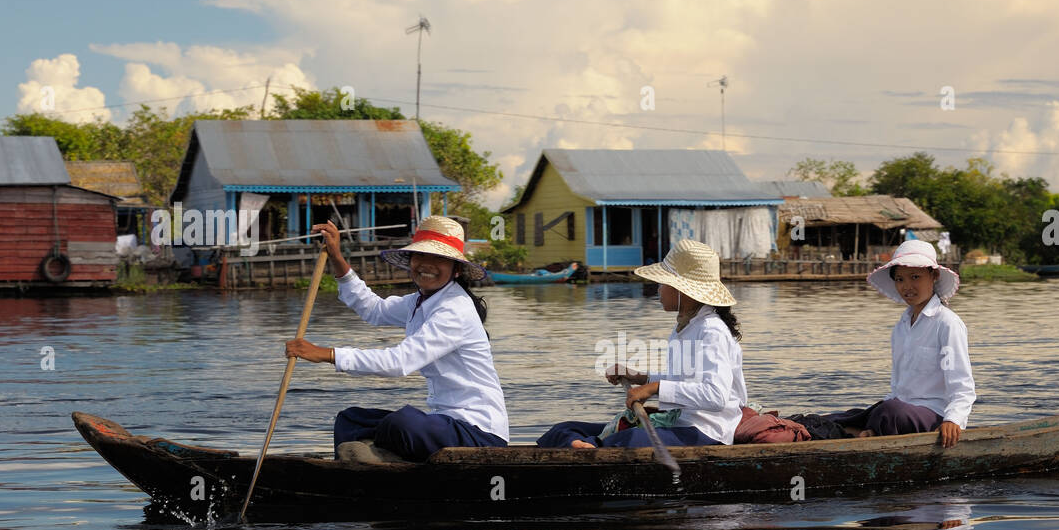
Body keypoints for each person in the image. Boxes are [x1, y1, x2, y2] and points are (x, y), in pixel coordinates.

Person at [284, 216, 509, 462]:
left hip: (478, 432)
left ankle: (381, 458)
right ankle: (359, 468)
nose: (426, 265)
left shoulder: (455, 309)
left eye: (438, 259)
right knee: (349, 419)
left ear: (456, 270)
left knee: (403, 422)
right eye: (420, 256)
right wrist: (337, 258)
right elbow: (374, 309)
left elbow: (399, 362)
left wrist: (327, 354)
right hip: (443, 424)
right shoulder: (420, 301)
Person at [537, 238, 746, 449]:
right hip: (679, 422)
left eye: (663, 283)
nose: (658, 289)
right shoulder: (685, 326)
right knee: (564, 428)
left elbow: (715, 396)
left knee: (627, 441)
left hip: (707, 430)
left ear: (683, 290)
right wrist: (639, 377)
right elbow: (683, 379)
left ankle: (588, 450)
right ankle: (584, 446)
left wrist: (654, 388)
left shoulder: (712, 330)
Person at [863, 240, 975, 447]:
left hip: (934, 414)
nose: (907, 286)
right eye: (900, 279)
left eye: (915, 277)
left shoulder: (947, 323)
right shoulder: (901, 327)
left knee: (889, 412)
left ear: (934, 276)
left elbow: (962, 386)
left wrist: (953, 420)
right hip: (903, 410)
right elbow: (898, 386)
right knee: (844, 417)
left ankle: (874, 429)